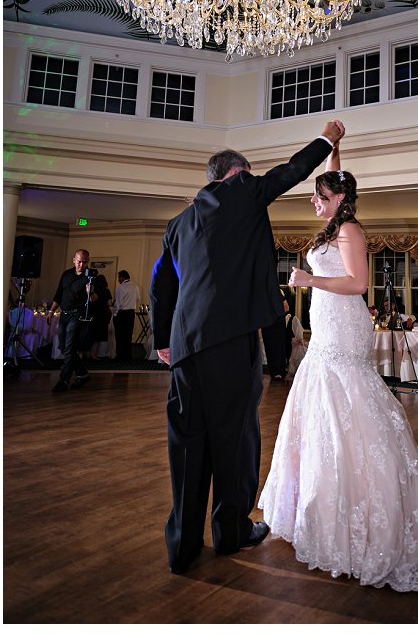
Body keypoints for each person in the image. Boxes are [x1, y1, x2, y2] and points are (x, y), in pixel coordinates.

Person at [263, 143, 418, 592]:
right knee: (320, 402)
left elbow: (358, 283)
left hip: (343, 327)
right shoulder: (334, 225)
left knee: (347, 401)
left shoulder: (350, 232)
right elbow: (337, 182)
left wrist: (308, 280)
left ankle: (364, 509)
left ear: (338, 199)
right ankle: (317, 504)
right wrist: (331, 149)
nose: (313, 199)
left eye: (319, 194)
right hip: (327, 325)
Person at [151, 122, 338, 574]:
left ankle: (182, 546)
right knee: (234, 440)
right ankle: (231, 531)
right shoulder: (244, 192)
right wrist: (327, 140)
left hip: (184, 350)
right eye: (249, 172)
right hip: (231, 344)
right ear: (237, 173)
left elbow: (161, 285)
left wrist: (162, 342)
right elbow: (292, 171)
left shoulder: (178, 223)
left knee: (187, 445)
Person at [50, 249, 110, 391]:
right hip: (63, 314)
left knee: (70, 347)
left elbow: (95, 299)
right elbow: (59, 294)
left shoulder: (91, 277)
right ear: (74, 260)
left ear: (87, 262)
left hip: (77, 315)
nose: (81, 264)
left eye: (84, 262)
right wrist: (51, 311)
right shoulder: (66, 274)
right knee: (64, 348)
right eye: (79, 261)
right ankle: (82, 374)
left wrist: (91, 292)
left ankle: (64, 380)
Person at [262, 279, 294, 381]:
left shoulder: (278, 292)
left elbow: (286, 308)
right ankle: (276, 371)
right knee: (271, 346)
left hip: (276, 322)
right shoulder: (267, 292)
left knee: (278, 346)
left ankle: (279, 371)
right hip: (269, 322)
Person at [113, 270, 140, 360]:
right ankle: (128, 355)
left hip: (122, 313)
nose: (118, 280)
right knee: (128, 334)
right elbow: (138, 299)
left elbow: (118, 303)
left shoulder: (121, 287)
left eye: (118, 278)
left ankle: (120, 355)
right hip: (131, 313)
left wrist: (115, 314)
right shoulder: (136, 286)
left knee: (120, 335)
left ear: (122, 277)